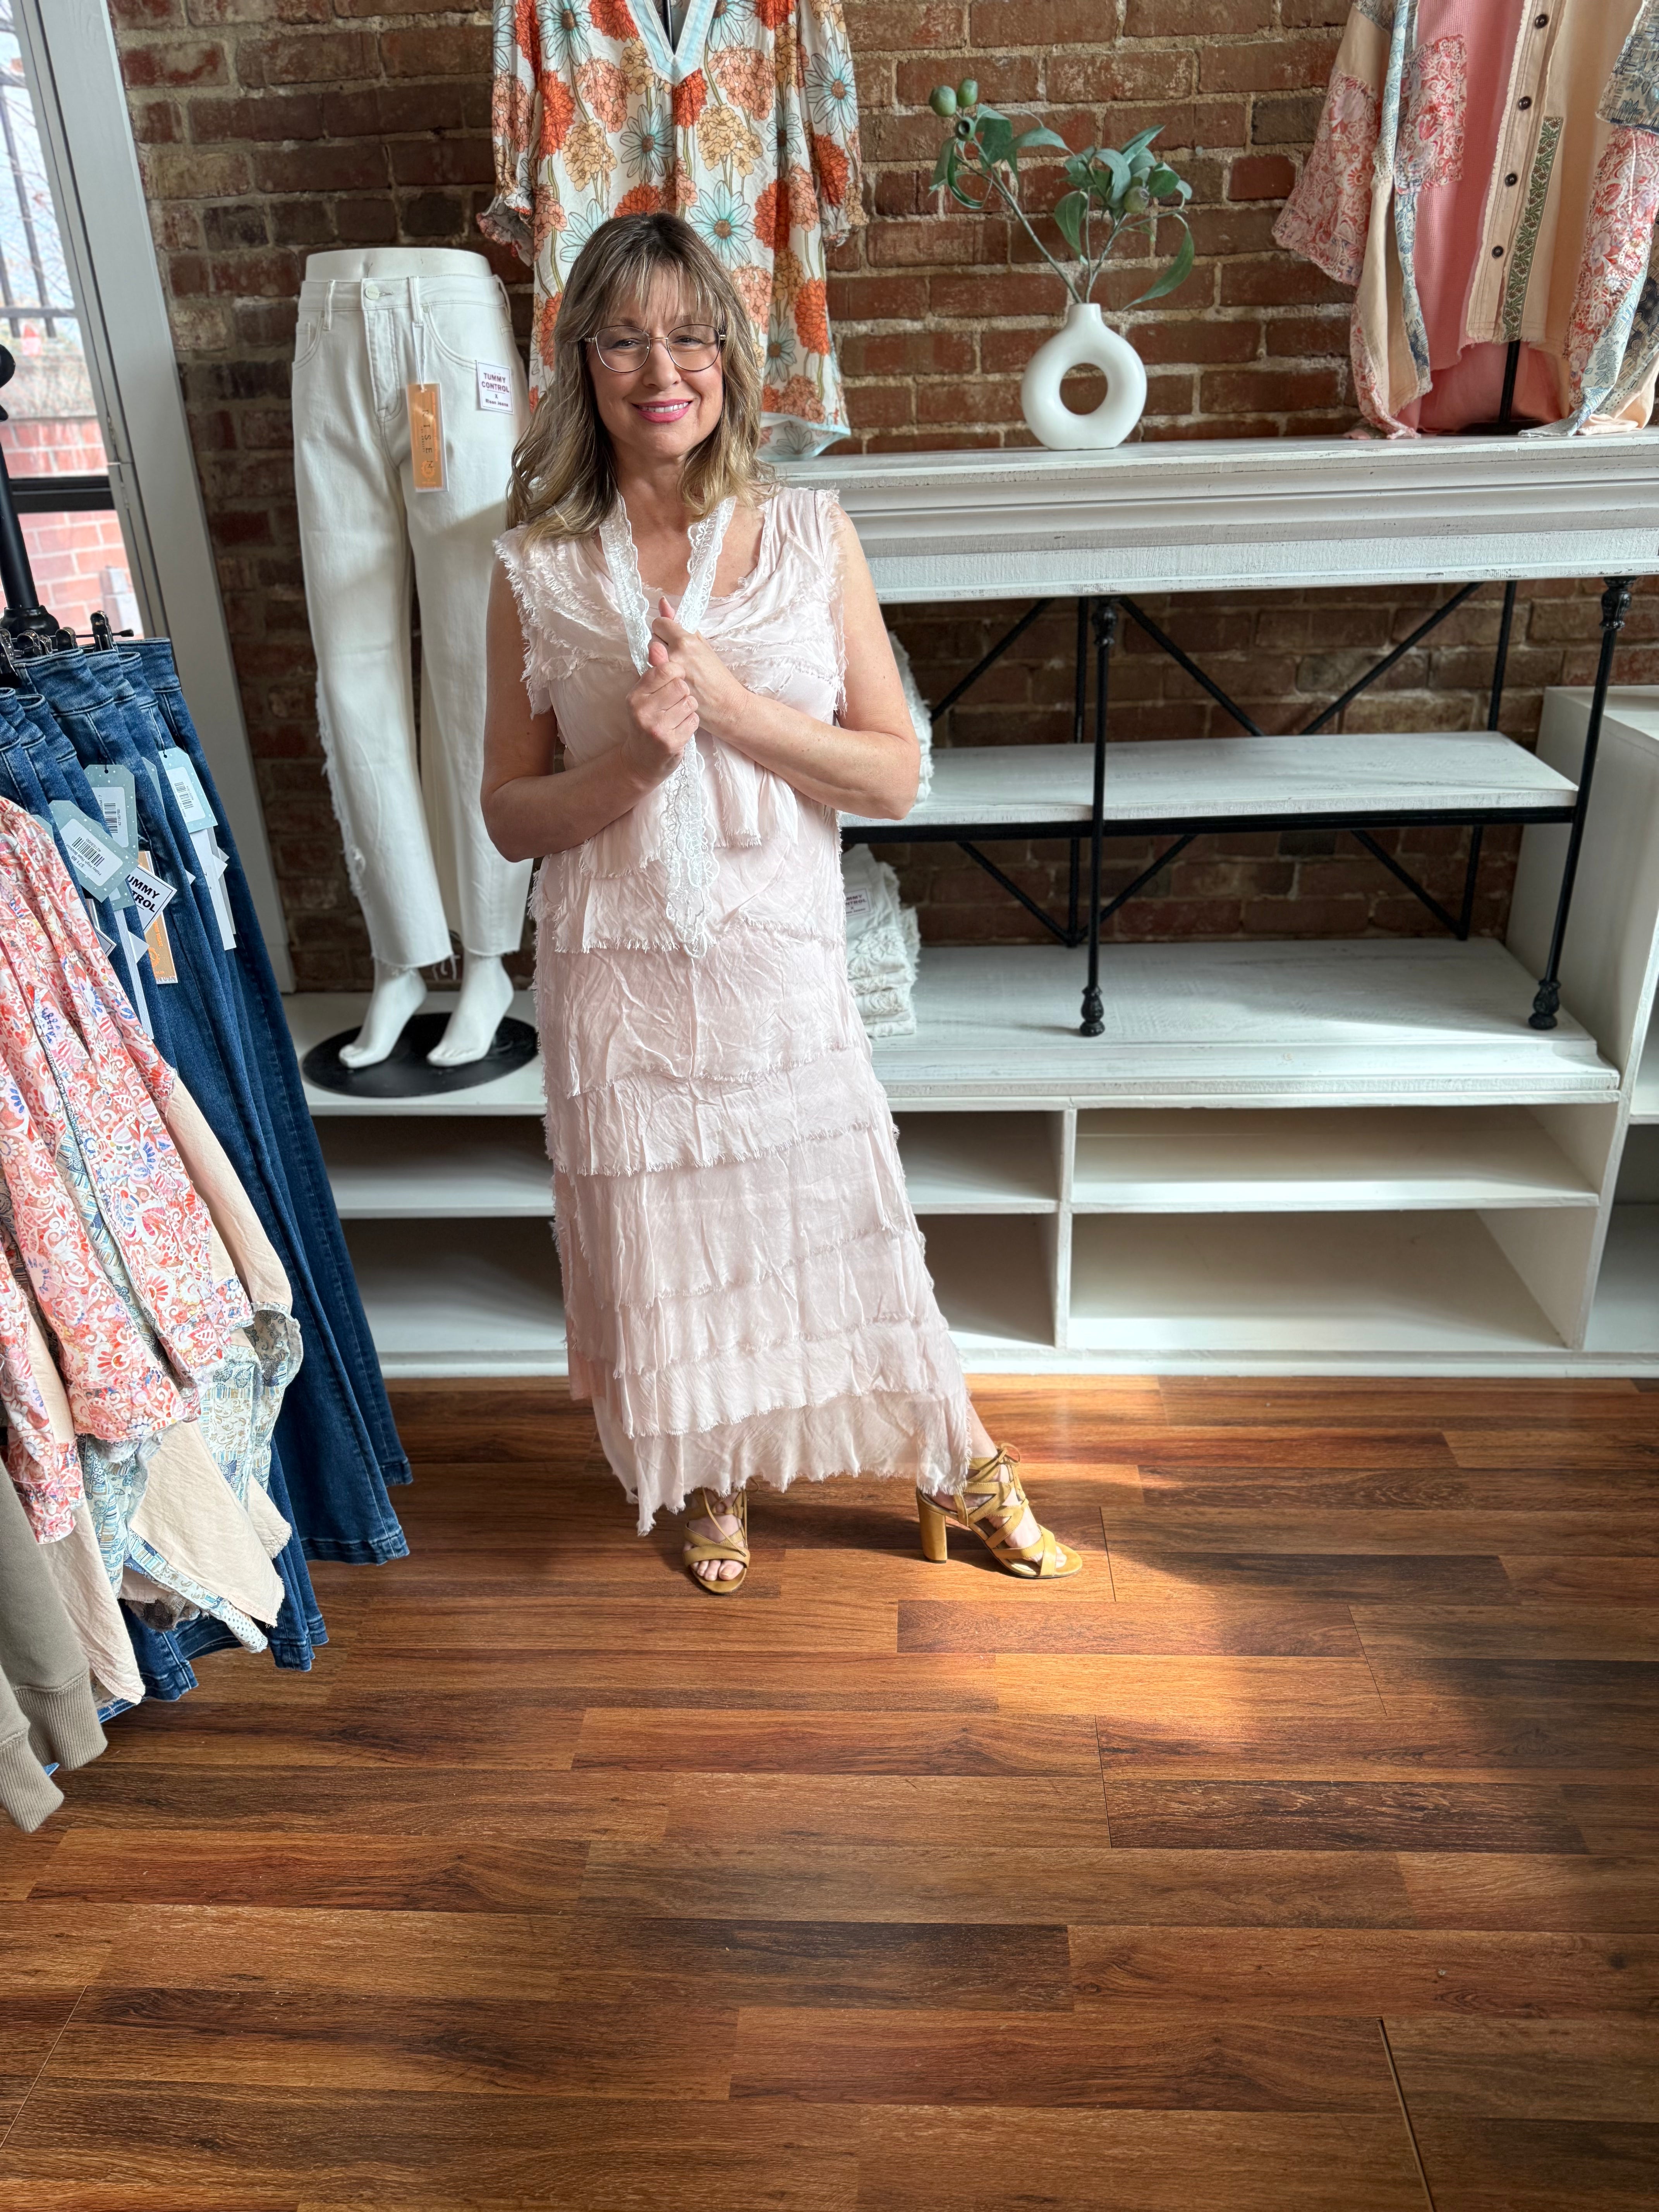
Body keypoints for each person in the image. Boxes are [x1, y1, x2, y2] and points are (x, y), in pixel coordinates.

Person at [481, 213, 1080, 1593]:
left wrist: (737, 713)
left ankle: (960, 1462)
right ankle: (709, 1469)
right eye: (624, 337)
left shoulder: (812, 533)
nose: (659, 368)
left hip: (776, 964)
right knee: (665, 1245)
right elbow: (512, 813)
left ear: (730, 357)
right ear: (581, 359)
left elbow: (894, 774)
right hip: (616, 974)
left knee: (838, 1219)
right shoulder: (530, 567)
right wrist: (635, 759)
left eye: (688, 334)